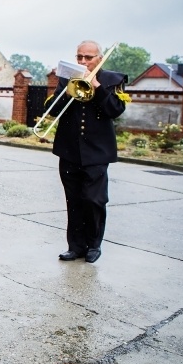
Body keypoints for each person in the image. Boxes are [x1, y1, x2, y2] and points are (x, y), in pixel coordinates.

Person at [47, 40, 128, 264]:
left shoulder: (113, 80)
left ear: (99, 58)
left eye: (88, 57)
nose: (83, 61)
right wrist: (68, 90)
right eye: (79, 57)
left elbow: (115, 110)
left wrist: (98, 88)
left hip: (97, 153)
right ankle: (75, 247)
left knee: (94, 200)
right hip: (69, 150)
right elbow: (51, 110)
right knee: (73, 200)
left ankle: (94, 245)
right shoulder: (66, 78)